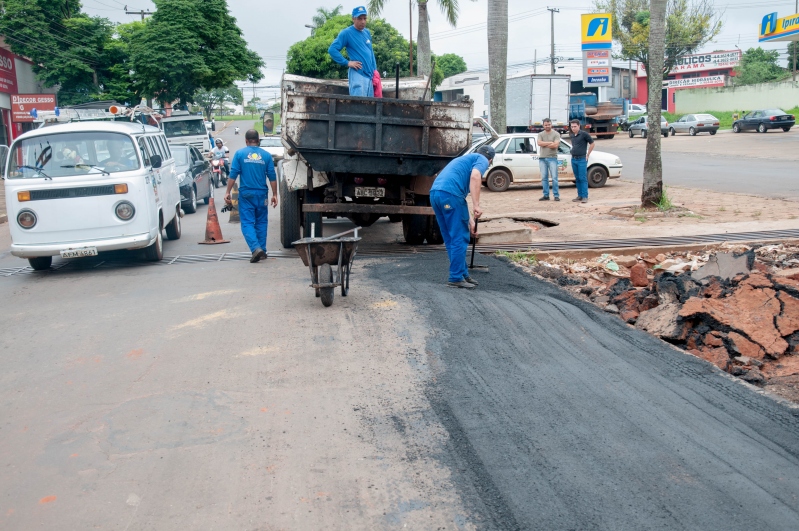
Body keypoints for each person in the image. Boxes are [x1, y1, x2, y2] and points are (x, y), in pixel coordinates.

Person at [429, 145, 495, 289]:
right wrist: (477, 205)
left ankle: (462, 273)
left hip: (436, 194)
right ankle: (455, 277)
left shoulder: (464, 160)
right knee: (459, 237)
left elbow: (460, 199)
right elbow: (476, 176)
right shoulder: (482, 159)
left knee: (450, 237)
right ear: (490, 160)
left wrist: (471, 222)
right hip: (450, 195)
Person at [224, 129, 279, 263]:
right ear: (258, 141)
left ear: (246, 141)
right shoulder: (266, 156)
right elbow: (272, 176)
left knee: (247, 222)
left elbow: (233, 174)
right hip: (262, 194)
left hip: (246, 194)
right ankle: (262, 250)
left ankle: (255, 248)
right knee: (261, 222)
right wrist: (275, 194)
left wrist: (227, 192)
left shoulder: (240, 154)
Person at [328, 6, 378, 97]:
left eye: (364, 18)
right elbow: (332, 49)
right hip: (358, 75)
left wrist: (375, 71)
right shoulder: (346, 33)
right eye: (359, 18)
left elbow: (371, 53)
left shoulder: (367, 32)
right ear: (353, 19)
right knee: (358, 107)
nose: (363, 21)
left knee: (370, 108)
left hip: (369, 76)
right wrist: (347, 63)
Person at [568, 119, 594, 203]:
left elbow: (592, 143)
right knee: (577, 178)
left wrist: (588, 154)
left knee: (583, 178)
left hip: (582, 159)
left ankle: (585, 196)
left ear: (579, 126)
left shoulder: (584, 134)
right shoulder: (572, 135)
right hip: (574, 159)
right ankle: (579, 195)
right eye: (572, 127)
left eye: (575, 126)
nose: (573, 128)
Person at [536, 118, 561, 202]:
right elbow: (539, 143)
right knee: (544, 178)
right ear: (543, 125)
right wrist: (550, 142)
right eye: (546, 125)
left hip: (552, 158)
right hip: (542, 158)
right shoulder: (540, 134)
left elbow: (555, 145)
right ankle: (546, 195)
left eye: (549, 124)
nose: (547, 126)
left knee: (554, 178)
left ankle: (556, 195)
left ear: (551, 124)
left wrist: (544, 143)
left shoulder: (556, 134)